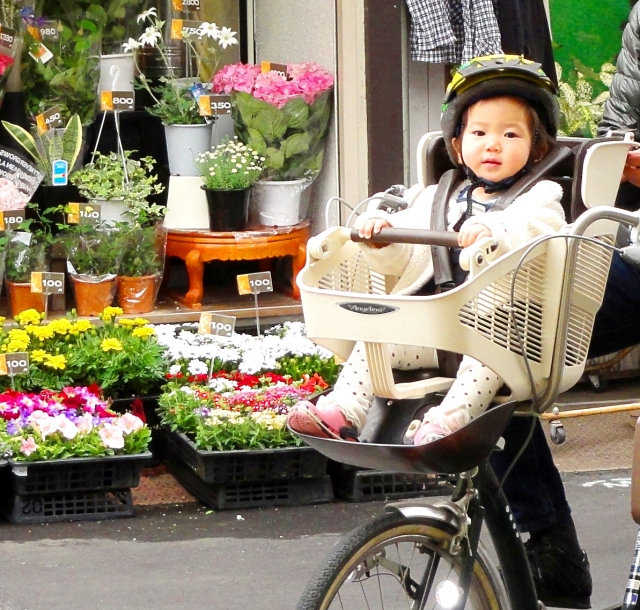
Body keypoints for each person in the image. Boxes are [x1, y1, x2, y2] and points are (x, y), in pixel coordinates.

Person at [288, 55, 565, 447]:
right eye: (479, 133)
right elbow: (404, 258)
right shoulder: (437, 196)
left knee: (485, 361)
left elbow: (539, 228)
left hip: (498, 336)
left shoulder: (540, 196)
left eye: (511, 135)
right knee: (376, 338)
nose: (493, 144)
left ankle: (448, 423)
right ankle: (343, 410)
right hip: (433, 332)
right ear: (456, 143)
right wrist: (384, 237)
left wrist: (495, 229)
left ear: (537, 149)